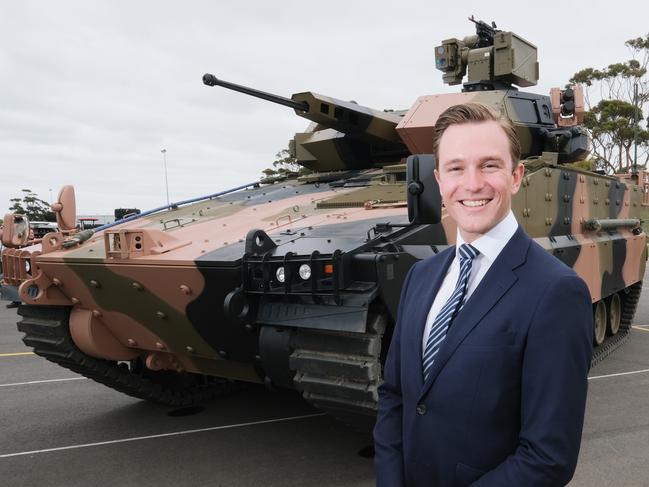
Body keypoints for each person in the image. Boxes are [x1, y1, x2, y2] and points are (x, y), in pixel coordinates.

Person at [373, 103, 593, 487]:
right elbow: (395, 396)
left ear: (516, 176)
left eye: (489, 165)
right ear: (439, 181)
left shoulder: (555, 292)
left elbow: (547, 458)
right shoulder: (420, 277)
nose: (472, 184)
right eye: (456, 168)